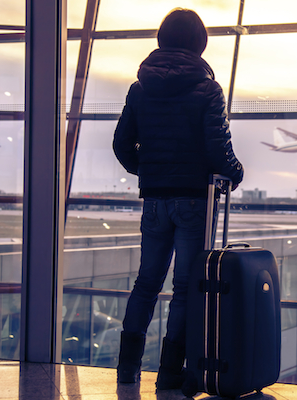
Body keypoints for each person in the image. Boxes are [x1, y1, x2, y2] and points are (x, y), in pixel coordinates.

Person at [112, 7, 244, 393]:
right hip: (192, 200)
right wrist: (235, 172)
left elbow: (122, 145)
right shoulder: (207, 89)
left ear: (161, 40)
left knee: (146, 283)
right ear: (199, 44)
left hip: (154, 199)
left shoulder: (140, 89)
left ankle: (126, 370)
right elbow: (218, 149)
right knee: (186, 288)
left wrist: (149, 171)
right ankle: (170, 372)